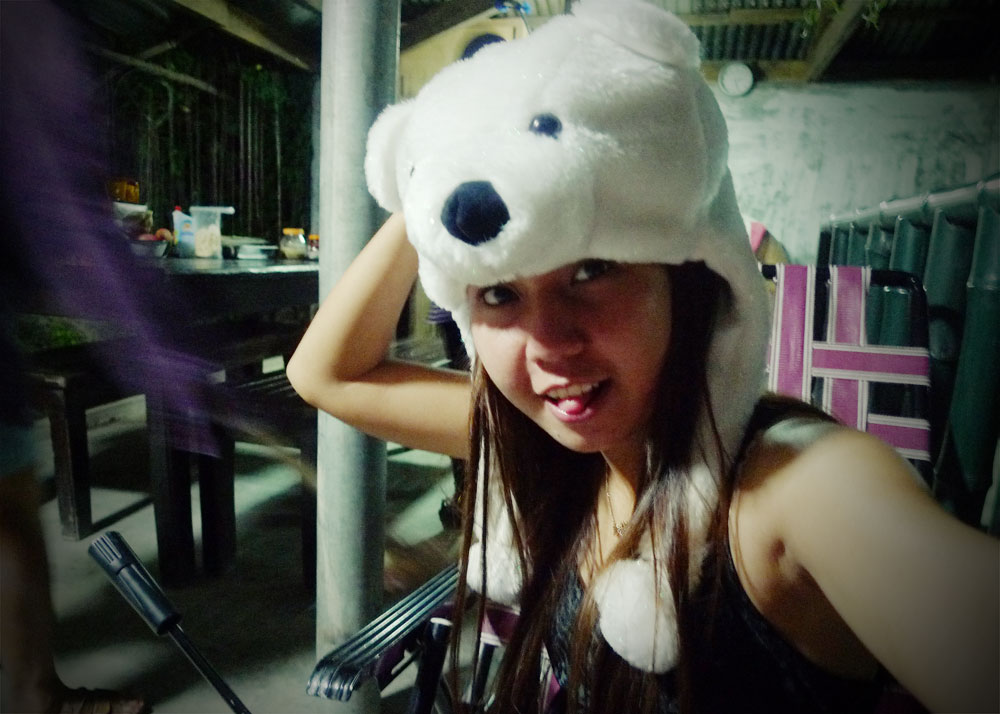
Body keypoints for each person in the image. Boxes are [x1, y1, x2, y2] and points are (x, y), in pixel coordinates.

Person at [286, 1, 999, 711]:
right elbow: (326, 373)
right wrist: (448, 160)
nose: (550, 344)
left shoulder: (789, 491)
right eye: (500, 293)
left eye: (591, 271)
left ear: (687, 282)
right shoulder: (555, 444)